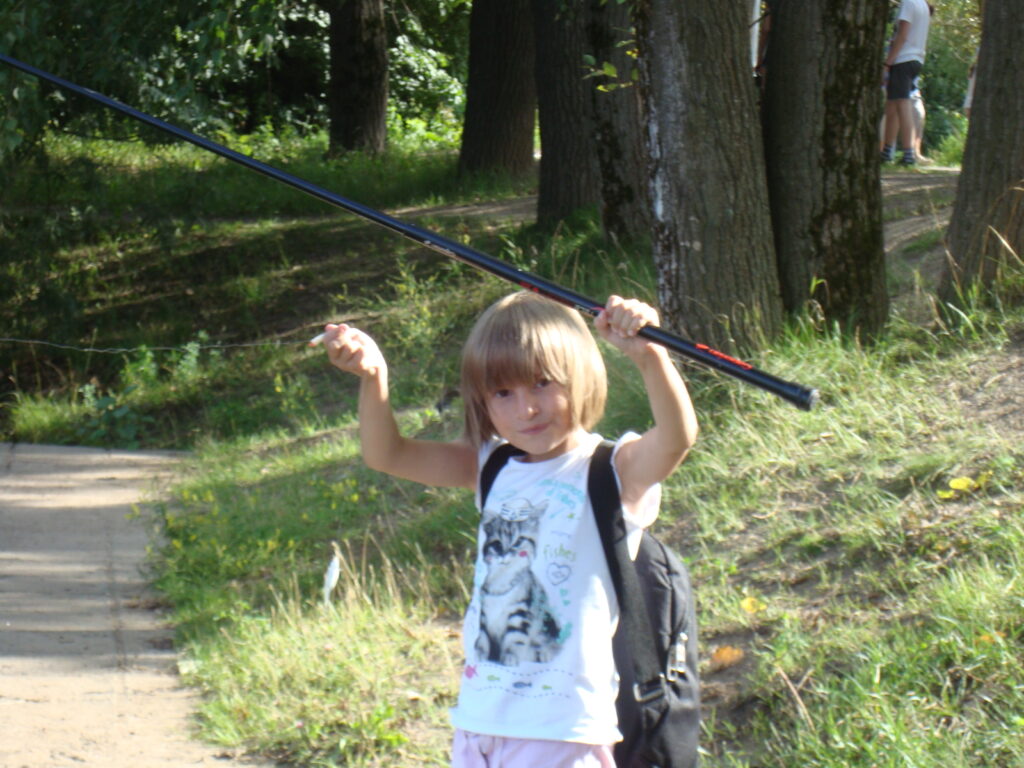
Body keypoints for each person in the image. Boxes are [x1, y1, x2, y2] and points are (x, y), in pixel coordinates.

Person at [319, 290, 698, 767]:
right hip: (480, 725)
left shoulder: (612, 468)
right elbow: (386, 454)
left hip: (563, 732)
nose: (527, 409)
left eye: (542, 383)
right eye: (503, 393)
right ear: (483, 400)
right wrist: (373, 375)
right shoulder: (491, 465)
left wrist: (650, 356)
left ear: (579, 375)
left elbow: (677, 438)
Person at [881, 0, 933, 166]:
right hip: (916, 58)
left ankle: (908, 153)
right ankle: (887, 150)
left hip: (903, 58)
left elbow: (903, 35)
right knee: (892, 104)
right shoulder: (923, 5)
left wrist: (888, 62)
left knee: (903, 104)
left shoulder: (909, 3)